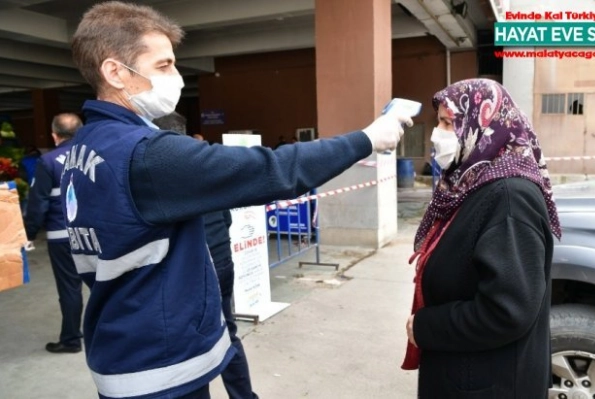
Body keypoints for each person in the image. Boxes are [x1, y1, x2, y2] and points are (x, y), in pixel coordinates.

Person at [64, 2, 411, 399]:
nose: (175, 77)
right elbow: (275, 169)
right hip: (159, 363)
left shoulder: (86, 146)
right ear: (115, 72)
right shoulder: (144, 154)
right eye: (163, 66)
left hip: (122, 341)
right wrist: (367, 138)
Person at [401, 78, 561, 398]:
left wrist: (426, 326)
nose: (438, 134)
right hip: (469, 373)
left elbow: (507, 311)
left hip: (490, 384)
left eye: (449, 123)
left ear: (482, 124)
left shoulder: (509, 197)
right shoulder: (471, 183)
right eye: (440, 123)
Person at [154, 112, 256, 399]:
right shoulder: (205, 161)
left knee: (192, 345)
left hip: (191, 268)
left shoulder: (158, 168)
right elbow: (226, 217)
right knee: (229, 333)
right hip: (221, 258)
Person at [24, 113, 85, 354]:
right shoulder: (95, 157)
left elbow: (37, 203)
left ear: (54, 135)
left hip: (63, 235)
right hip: (98, 233)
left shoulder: (47, 161)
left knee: (70, 288)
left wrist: (27, 235)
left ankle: (71, 340)